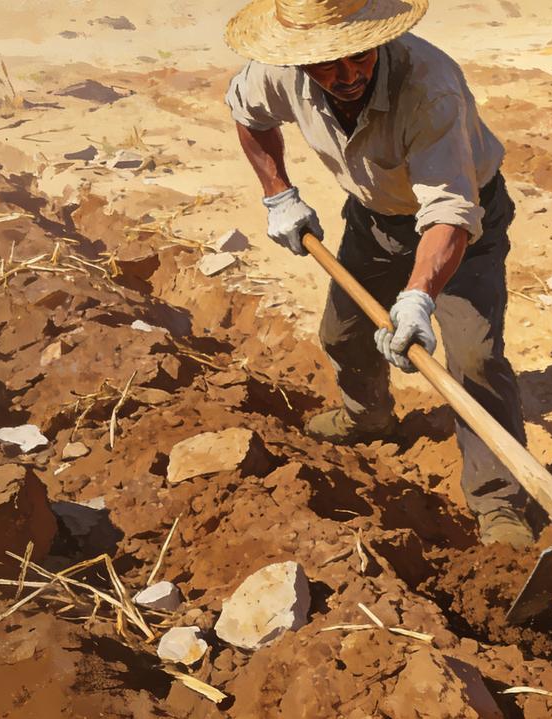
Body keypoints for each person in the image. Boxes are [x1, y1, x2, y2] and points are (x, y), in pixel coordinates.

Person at [224, 0, 534, 547]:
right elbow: (249, 116)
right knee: (341, 336)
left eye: (358, 55)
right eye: (326, 63)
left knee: (475, 359)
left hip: (464, 225)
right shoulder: (274, 70)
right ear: (297, 59)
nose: (347, 76)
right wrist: (279, 194)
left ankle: (500, 502)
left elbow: (448, 215)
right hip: (374, 219)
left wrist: (418, 297)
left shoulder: (428, 86)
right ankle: (368, 417)